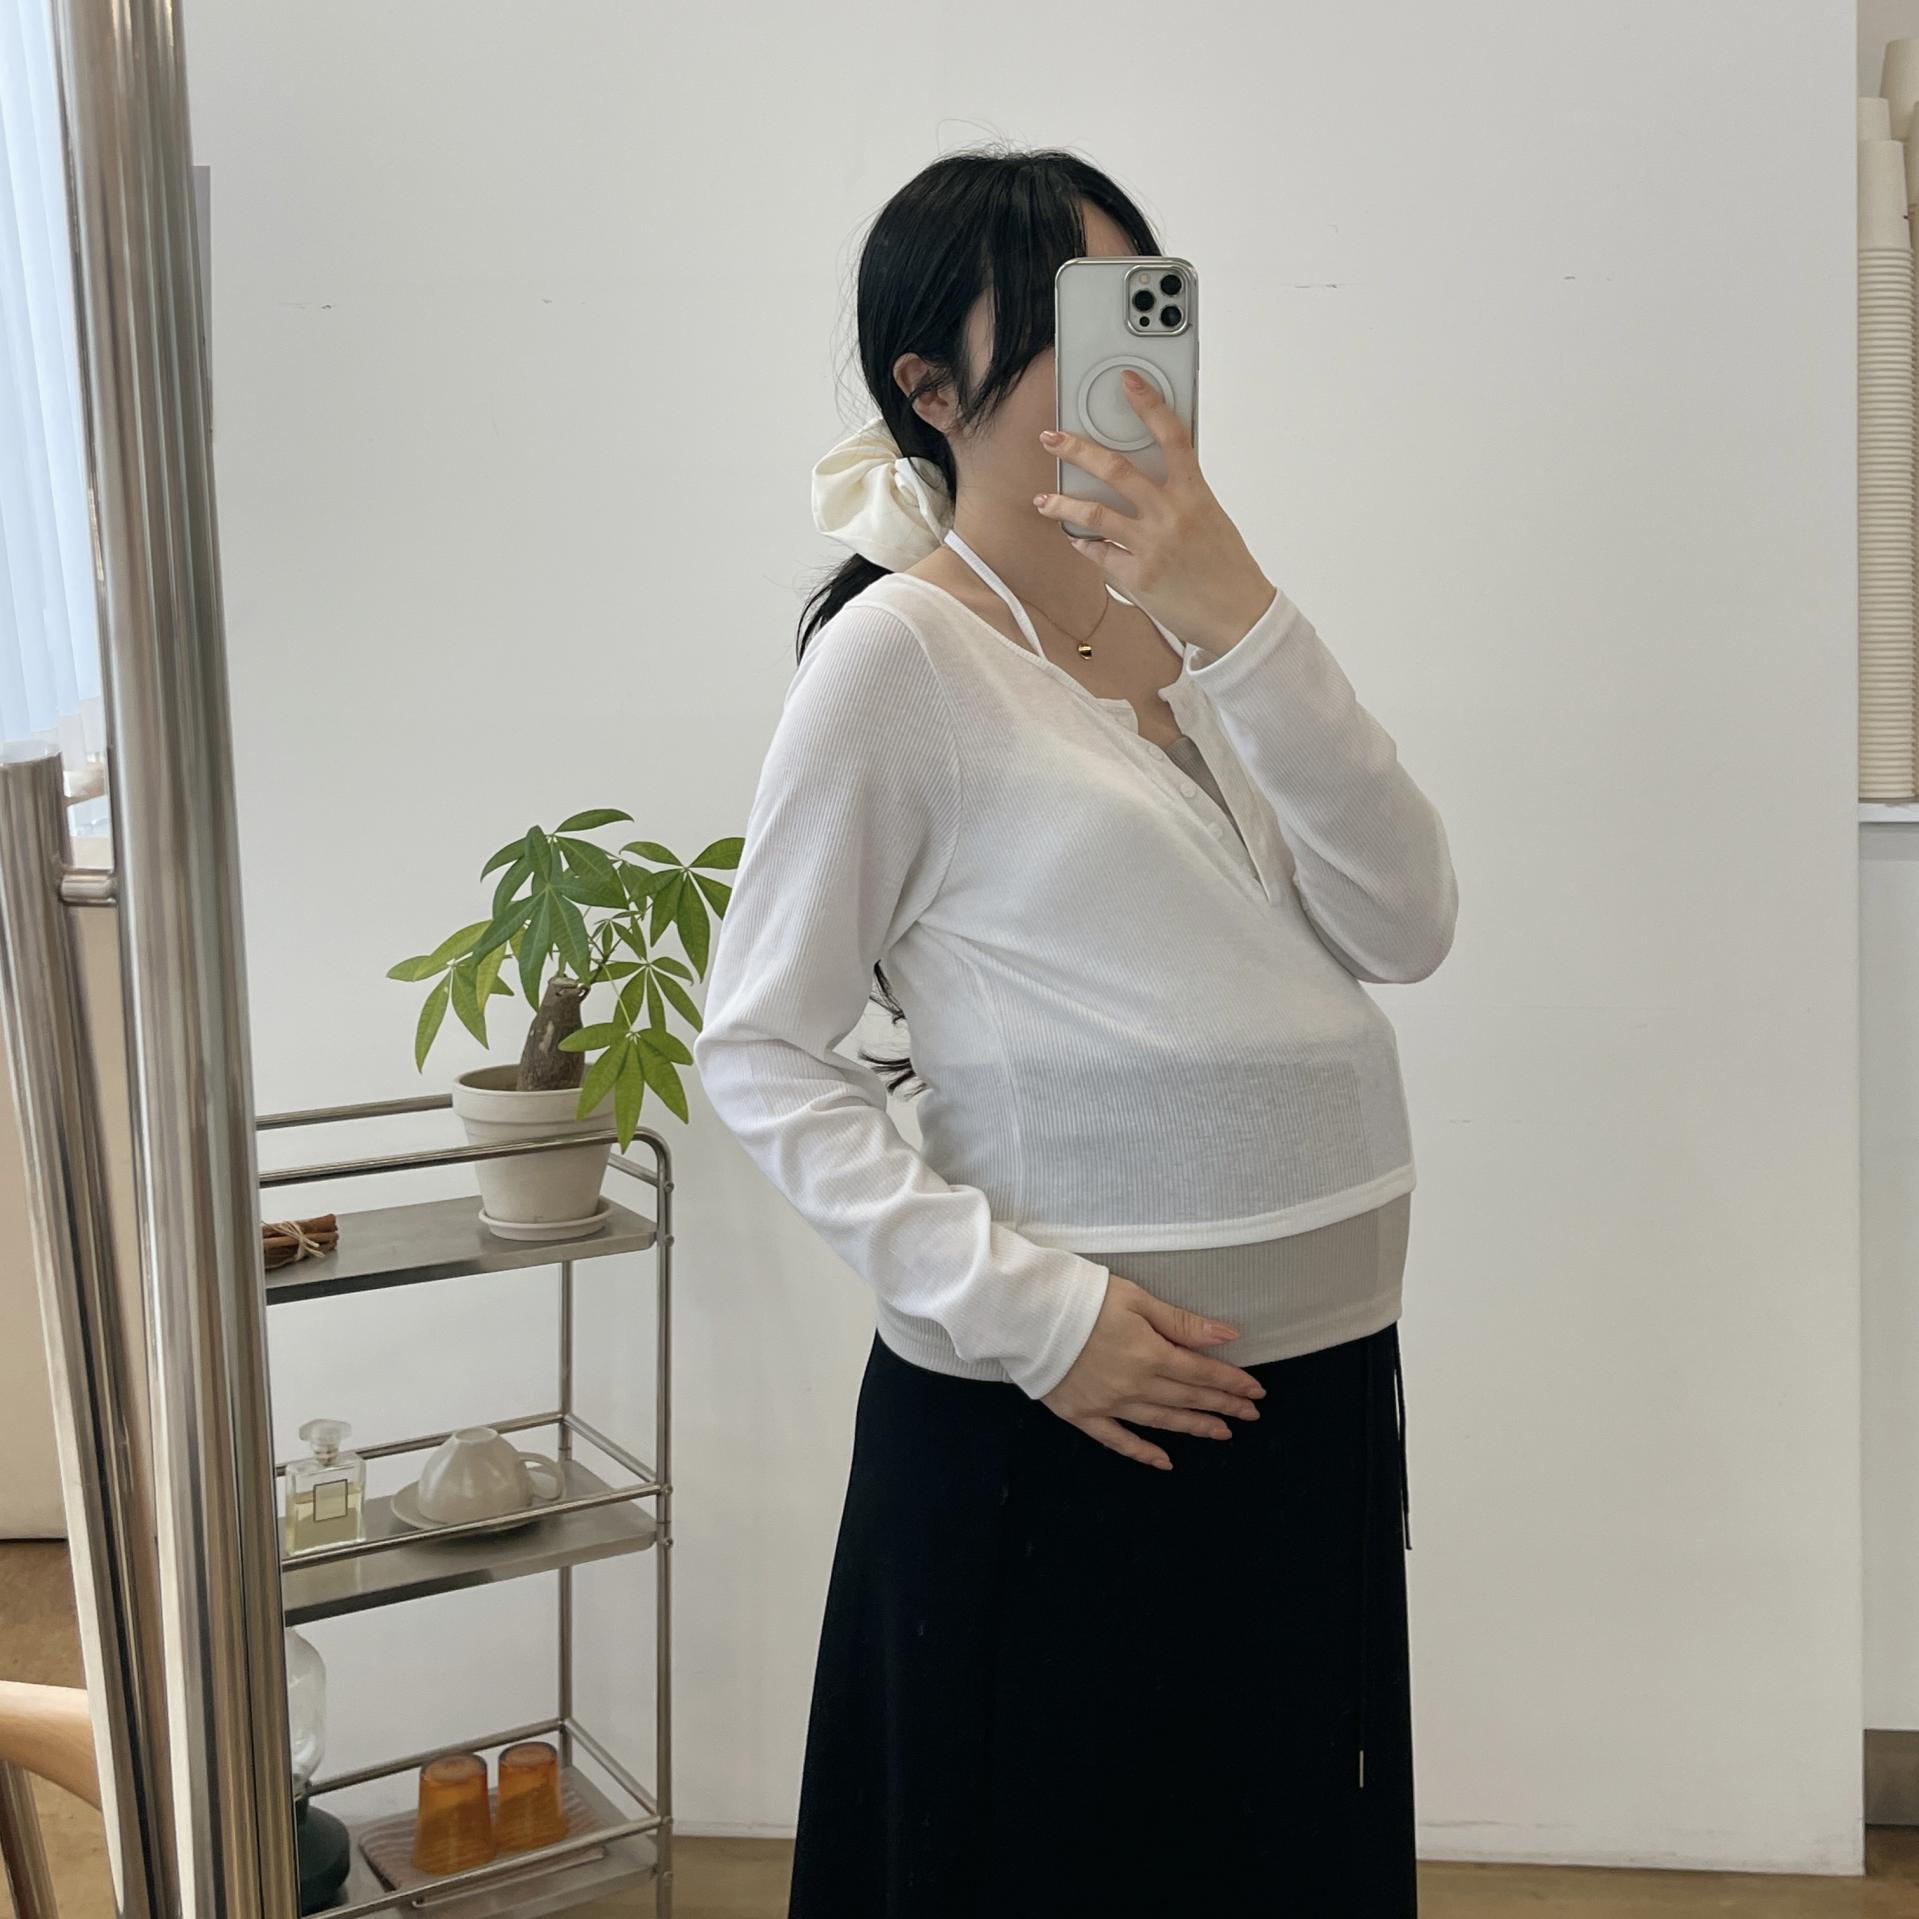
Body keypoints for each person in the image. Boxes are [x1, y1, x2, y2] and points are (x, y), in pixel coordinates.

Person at [692, 145, 1458, 1918]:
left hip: (1314, 1401)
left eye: (1137, 304)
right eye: (1057, 318)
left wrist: (1237, 609)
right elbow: (763, 1051)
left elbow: (1404, 921)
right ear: (929, 386)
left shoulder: (1201, 641)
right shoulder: (900, 658)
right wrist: (1042, 1323)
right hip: (1069, 1421)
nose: (1118, 357)